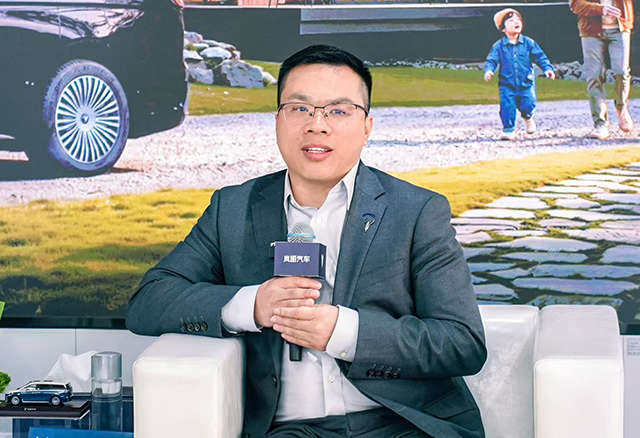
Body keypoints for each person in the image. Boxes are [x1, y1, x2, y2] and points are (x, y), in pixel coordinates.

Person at [127, 45, 487, 438]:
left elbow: (462, 343)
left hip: (403, 423)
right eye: (299, 108)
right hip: (290, 429)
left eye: (338, 111)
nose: (317, 125)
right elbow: (149, 302)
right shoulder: (232, 208)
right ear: (277, 121)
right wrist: (254, 304)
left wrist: (345, 332)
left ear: (367, 126)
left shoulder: (416, 210)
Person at [484, 9, 555, 141]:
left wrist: (547, 69)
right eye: (511, 21)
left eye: (518, 20)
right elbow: (492, 60)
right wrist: (489, 70)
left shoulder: (529, 43)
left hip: (526, 84)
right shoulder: (499, 46)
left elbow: (540, 57)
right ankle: (508, 130)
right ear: (503, 28)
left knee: (528, 104)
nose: (516, 22)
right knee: (507, 106)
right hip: (507, 84)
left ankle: (528, 117)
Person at [570, 0, 634, 140]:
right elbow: (575, 4)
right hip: (591, 30)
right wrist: (601, 9)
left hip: (620, 28)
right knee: (594, 76)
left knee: (622, 72)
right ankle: (600, 124)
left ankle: (621, 107)